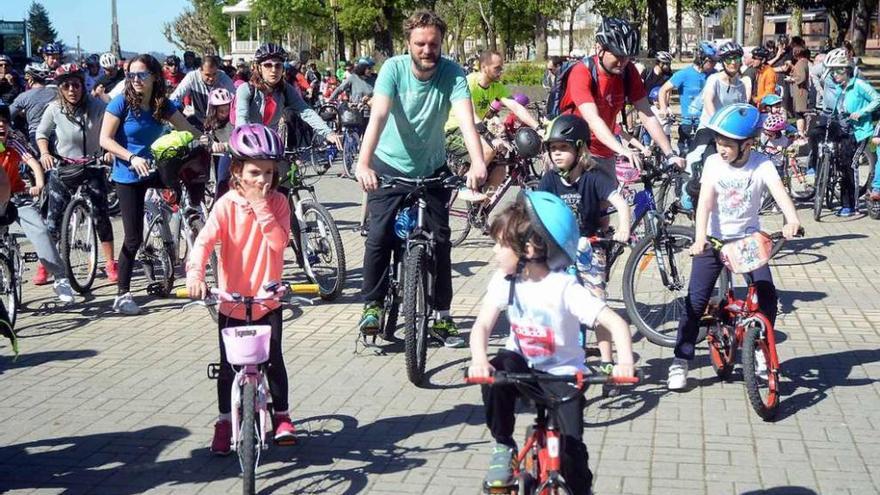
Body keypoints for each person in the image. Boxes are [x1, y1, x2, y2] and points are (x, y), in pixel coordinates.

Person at [467, 190, 635, 493]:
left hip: (564, 378)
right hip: (522, 370)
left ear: (529, 248)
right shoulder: (504, 282)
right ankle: (503, 445)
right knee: (497, 370)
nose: (494, 251)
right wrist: (479, 359)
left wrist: (623, 363)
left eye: (501, 244)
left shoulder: (564, 288)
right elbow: (481, 326)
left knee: (573, 457)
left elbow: (616, 323)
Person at [354, 10, 488, 344]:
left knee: (441, 242)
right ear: (408, 43)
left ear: (442, 42)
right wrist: (364, 163)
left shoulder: (453, 73)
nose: (427, 50)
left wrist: (477, 163)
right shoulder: (393, 69)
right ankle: (372, 304)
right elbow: (379, 115)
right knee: (379, 237)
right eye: (420, 44)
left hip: (432, 169)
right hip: (389, 166)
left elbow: (466, 121)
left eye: (433, 44)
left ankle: (442, 316)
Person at [667, 103, 802, 390]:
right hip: (714, 241)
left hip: (747, 242)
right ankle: (681, 359)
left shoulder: (761, 164)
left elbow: (780, 193)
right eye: (718, 142)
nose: (721, 148)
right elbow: (704, 203)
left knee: (766, 294)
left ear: (747, 144)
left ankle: (760, 353)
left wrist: (792, 219)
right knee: (695, 302)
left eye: (728, 144)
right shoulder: (714, 163)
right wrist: (700, 238)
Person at [185, 123, 296, 455]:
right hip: (231, 304)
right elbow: (204, 243)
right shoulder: (225, 206)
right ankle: (223, 422)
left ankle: (283, 416)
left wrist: (261, 205)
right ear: (236, 170)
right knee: (226, 369)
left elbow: (278, 243)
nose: (263, 180)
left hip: (267, 301)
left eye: (269, 172)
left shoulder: (277, 203)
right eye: (254, 172)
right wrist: (195, 274)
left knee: (274, 360)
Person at [98, 54, 203, 315]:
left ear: (154, 77)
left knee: (184, 189)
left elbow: (189, 130)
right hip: (128, 175)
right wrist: (131, 157)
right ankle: (122, 294)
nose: (135, 80)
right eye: (131, 75)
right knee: (132, 239)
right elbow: (105, 139)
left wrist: (207, 141)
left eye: (141, 75)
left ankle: (174, 241)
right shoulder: (120, 103)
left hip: (156, 168)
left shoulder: (162, 105)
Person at [537, 114, 631, 368]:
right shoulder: (550, 180)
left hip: (590, 246)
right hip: (557, 249)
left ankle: (607, 360)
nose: (556, 154)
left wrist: (624, 227)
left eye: (563, 148)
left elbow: (620, 203)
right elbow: (535, 209)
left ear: (580, 149)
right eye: (553, 149)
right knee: (552, 302)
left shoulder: (594, 177)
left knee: (597, 303)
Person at [558, 17, 683, 175]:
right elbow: (593, 119)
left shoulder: (628, 72)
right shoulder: (582, 72)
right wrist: (623, 150)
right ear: (599, 49)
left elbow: (647, 114)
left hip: (606, 151)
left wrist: (670, 154)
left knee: (612, 199)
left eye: (627, 56)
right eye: (618, 55)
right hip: (573, 150)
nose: (623, 61)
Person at [35, 64, 118, 283]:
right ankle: (45, 265)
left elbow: (112, 128)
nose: (72, 90)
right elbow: (42, 133)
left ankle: (111, 263)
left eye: (76, 85)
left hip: (93, 166)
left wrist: (109, 150)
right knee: (52, 220)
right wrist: (45, 153)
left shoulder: (97, 106)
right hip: (64, 168)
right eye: (66, 86)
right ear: (60, 89)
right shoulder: (54, 109)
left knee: (101, 215)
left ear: (82, 85)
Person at [235, 44, 341, 192]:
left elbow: (305, 111)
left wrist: (327, 132)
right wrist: (251, 145)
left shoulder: (285, 89)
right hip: (245, 145)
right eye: (268, 65)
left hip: (270, 145)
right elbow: (242, 120)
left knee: (287, 184)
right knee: (240, 190)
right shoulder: (246, 89)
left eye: (278, 66)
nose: (274, 70)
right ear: (258, 67)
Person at [0, 105, 75, 303]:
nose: (1, 124)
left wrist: (39, 184)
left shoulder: (14, 141)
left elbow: (32, 162)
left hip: (17, 196)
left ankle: (60, 278)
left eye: (4, 121)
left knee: (41, 231)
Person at [445, 49, 540, 199]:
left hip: (475, 131)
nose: (500, 71)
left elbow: (515, 106)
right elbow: (471, 115)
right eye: (497, 68)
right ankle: (464, 184)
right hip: (453, 130)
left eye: (501, 67)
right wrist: (491, 137)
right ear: (484, 67)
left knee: (501, 168)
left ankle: (481, 209)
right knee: (489, 148)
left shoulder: (496, 86)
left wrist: (538, 127)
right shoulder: (469, 82)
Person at [683, 41, 752, 207]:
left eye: (737, 58)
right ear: (723, 62)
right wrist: (716, 123)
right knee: (698, 158)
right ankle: (687, 191)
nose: (734, 62)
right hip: (710, 127)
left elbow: (741, 109)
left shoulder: (741, 85)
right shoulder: (714, 79)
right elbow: (708, 100)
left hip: (729, 132)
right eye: (729, 59)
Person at [822, 49, 880, 217]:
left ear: (844, 70)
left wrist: (861, 112)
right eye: (831, 73)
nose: (833, 76)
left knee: (851, 166)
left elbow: (877, 98)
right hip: (847, 130)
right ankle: (844, 202)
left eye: (835, 72)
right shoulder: (842, 89)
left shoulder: (859, 85)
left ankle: (853, 206)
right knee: (842, 163)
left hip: (861, 131)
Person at [658, 41, 716, 156]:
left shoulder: (715, 75)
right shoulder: (684, 74)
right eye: (711, 61)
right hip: (688, 123)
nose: (714, 64)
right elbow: (663, 90)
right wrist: (663, 108)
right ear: (701, 59)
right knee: (687, 157)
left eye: (715, 61)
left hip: (707, 123)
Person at [170, 55, 235, 129]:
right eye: (207, 75)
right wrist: (173, 115)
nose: (211, 78)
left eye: (214, 74)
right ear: (200, 70)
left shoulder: (224, 78)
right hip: (199, 122)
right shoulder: (192, 77)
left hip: (220, 124)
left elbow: (235, 102)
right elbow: (175, 97)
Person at [10, 63, 57, 151]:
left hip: (36, 134)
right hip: (58, 134)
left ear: (30, 79)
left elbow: (8, 115)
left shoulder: (24, 96)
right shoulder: (57, 93)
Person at [204, 88, 235, 198]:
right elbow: (206, 137)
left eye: (227, 111)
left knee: (224, 181)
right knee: (221, 183)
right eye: (221, 111)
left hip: (231, 153)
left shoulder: (232, 122)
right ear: (214, 110)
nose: (224, 114)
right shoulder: (210, 123)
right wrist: (210, 143)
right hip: (217, 154)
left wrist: (226, 145)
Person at [786, 46, 811, 137]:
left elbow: (801, 77)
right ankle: (802, 131)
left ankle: (801, 133)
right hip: (801, 90)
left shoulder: (800, 63)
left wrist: (792, 79)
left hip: (800, 91)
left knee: (799, 113)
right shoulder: (804, 62)